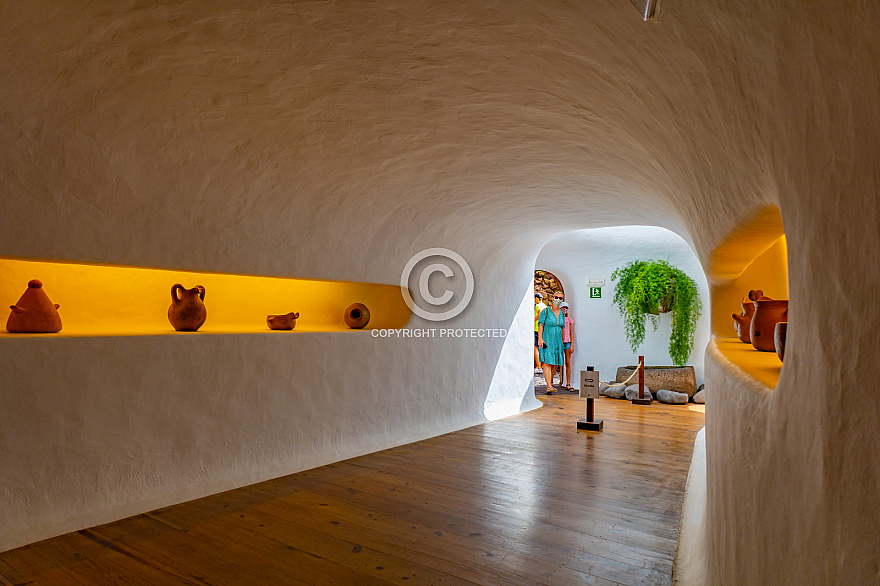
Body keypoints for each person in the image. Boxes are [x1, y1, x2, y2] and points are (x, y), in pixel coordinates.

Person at [537, 292, 565, 394]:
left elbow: (562, 328)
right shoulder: (546, 311)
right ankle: (548, 385)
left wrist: (562, 341)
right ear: (552, 298)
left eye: (560, 298)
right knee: (548, 363)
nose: (558, 299)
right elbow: (541, 325)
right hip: (547, 338)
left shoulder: (562, 313)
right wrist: (540, 338)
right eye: (556, 297)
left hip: (558, 340)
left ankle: (551, 382)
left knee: (556, 363)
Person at [560, 302, 575, 390]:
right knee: (556, 363)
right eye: (563, 308)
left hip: (567, 342)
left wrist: (572, 345)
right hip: (559, 342)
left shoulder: (568, 319)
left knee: (568, 362)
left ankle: (568, 383)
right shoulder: (557, 319)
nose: (564, 309)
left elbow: (571, 333)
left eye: (566, 308)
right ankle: (550, 383)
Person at [534, 292, 546, 371]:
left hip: (537, 329)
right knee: (543, 348)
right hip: (544, 329)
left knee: (535, 348)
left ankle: (539, 367)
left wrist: (532, 319)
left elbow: (539, 315)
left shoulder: (538, 306)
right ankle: (543, 366)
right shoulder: (545, 306)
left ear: (537, 299)